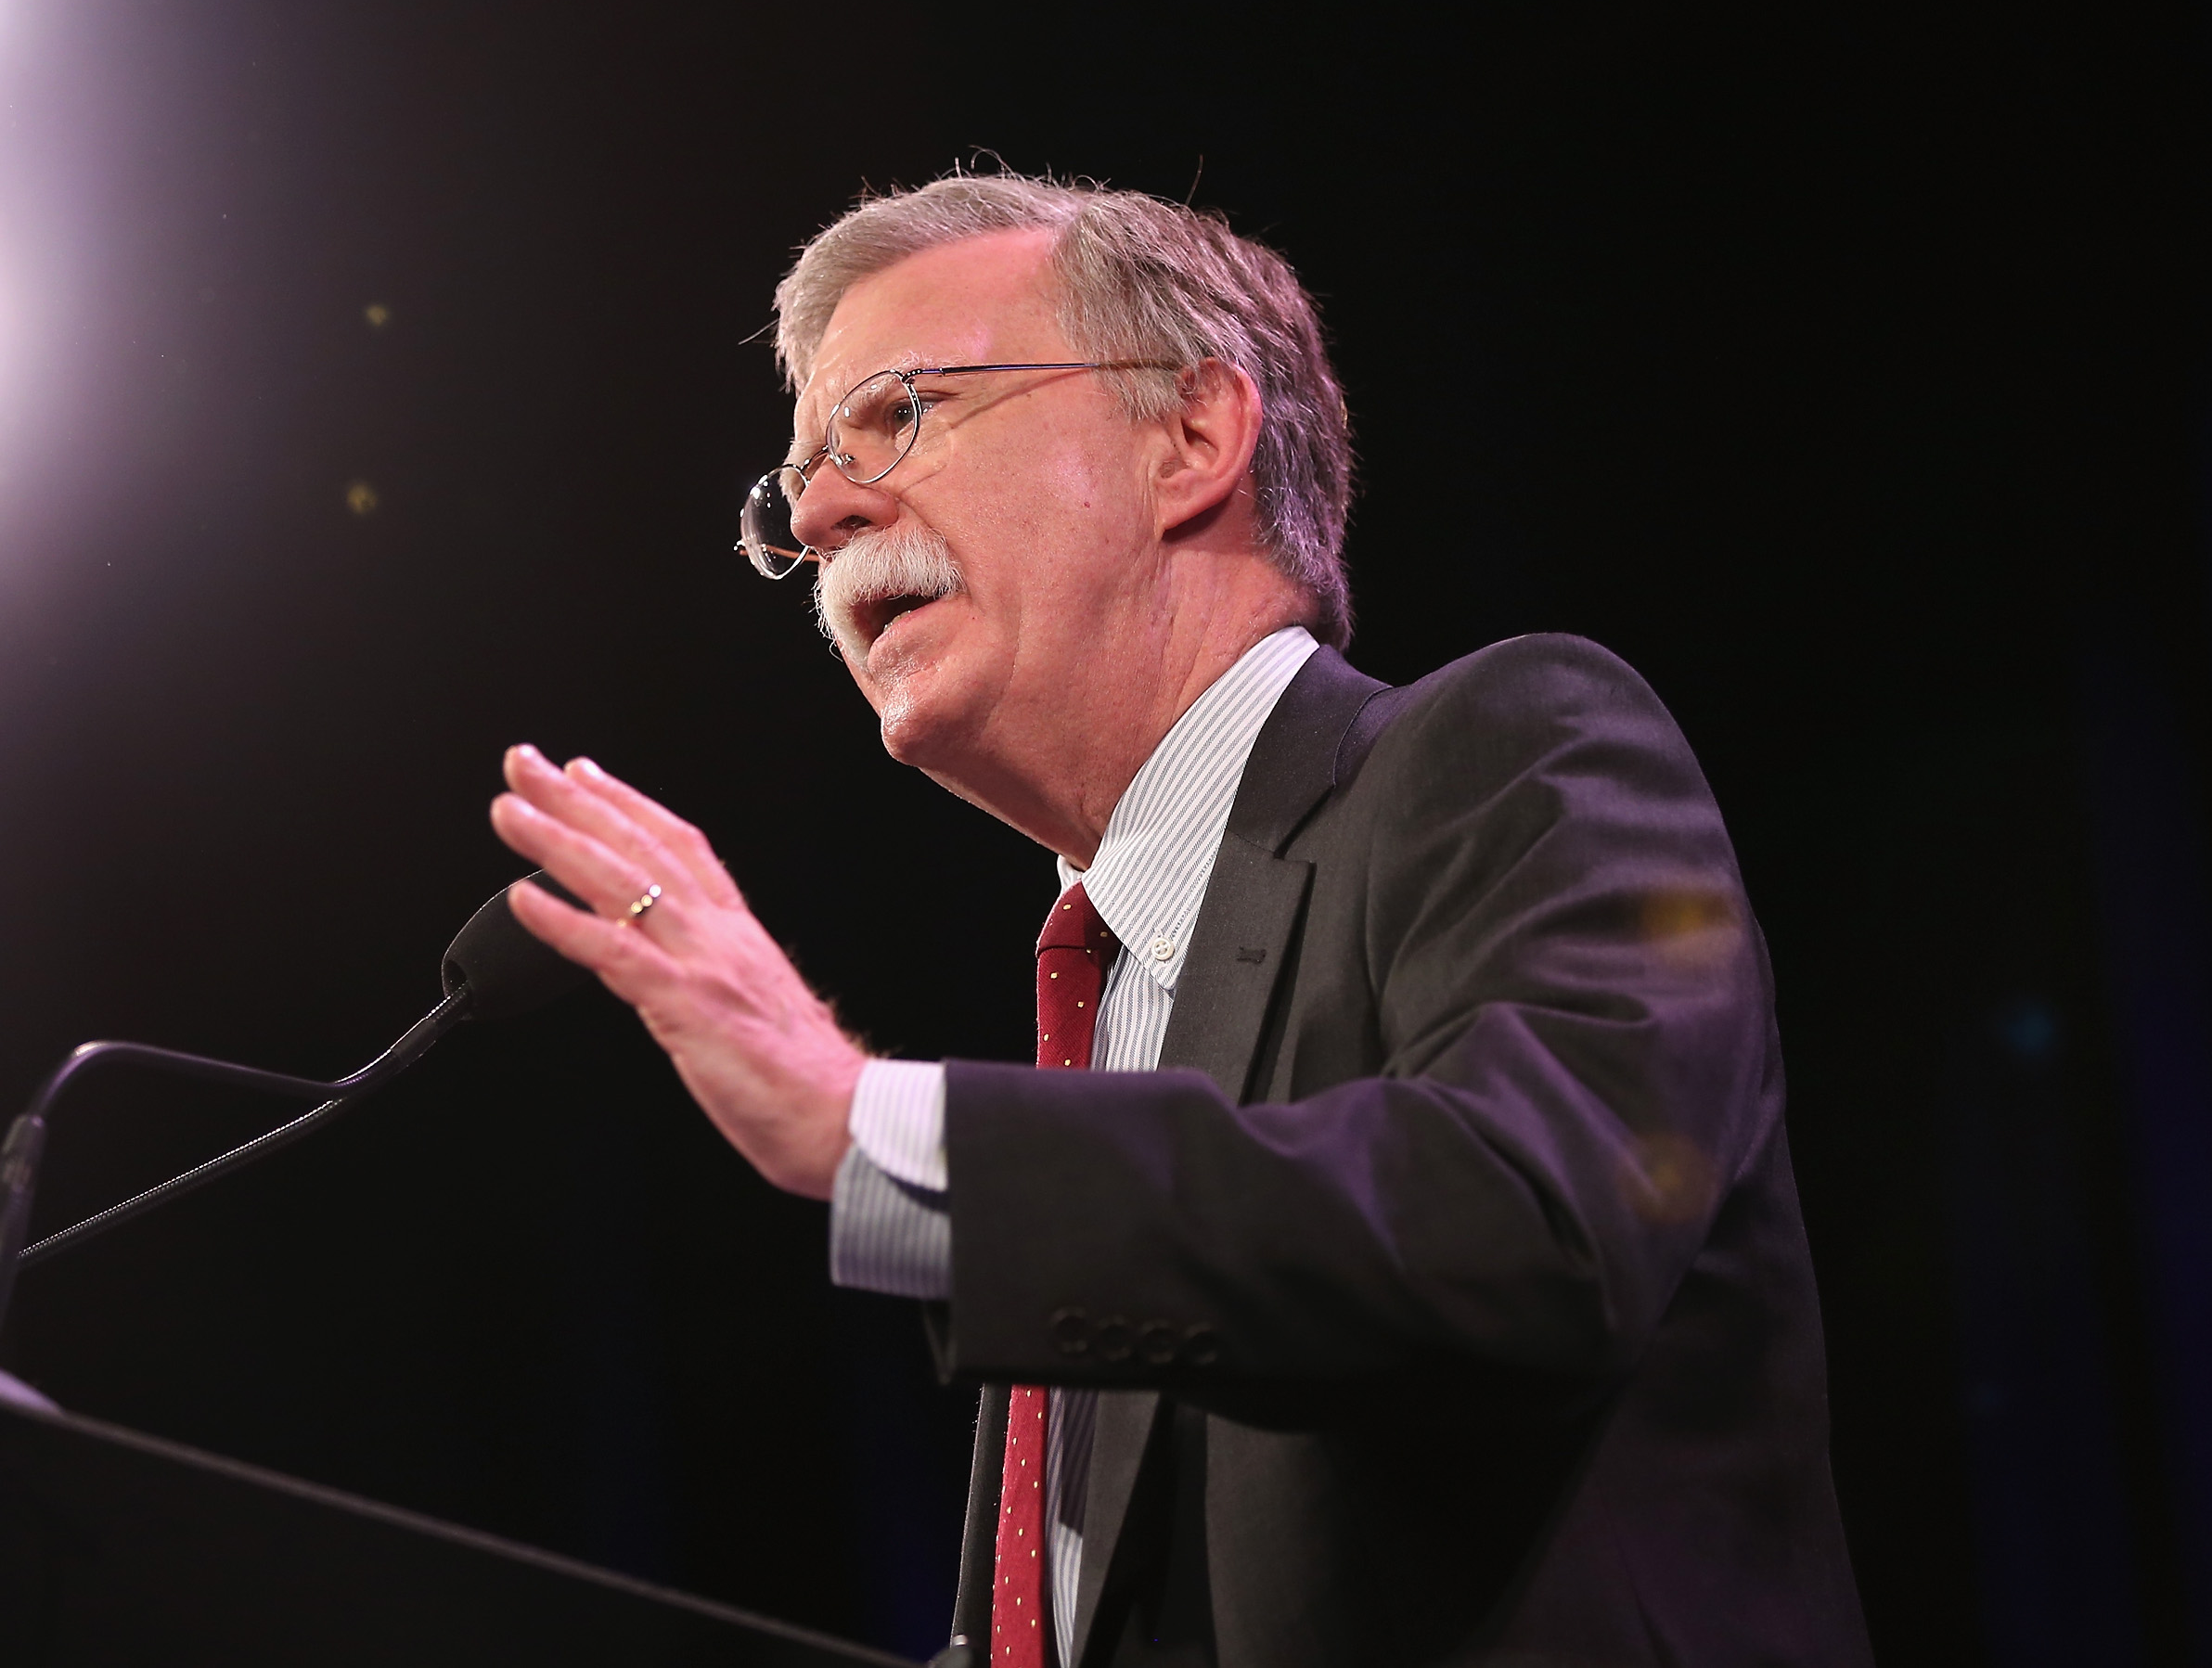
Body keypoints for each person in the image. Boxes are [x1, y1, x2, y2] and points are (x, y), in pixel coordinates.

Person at [487, 173, 1872, 1668]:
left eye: (897, 414)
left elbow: (1532, 1228)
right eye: (800, 477)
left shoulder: (1518, 749)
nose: (820, 513)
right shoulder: (1102, 1018)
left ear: (1191, 439)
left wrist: (868, 1125)